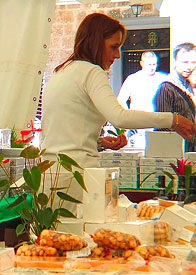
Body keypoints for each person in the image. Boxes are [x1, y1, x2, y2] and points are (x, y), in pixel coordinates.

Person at [40, 13, 196, 210]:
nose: (117, 55)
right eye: (114, 47)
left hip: (50, 176)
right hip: (76, 178)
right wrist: (173, 119)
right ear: (96, 42)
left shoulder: (61, 72)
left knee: (53, 239)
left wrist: (97, 142)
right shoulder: (92, 72)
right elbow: (120, 117)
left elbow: (61, 131)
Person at [116, 51, 167, 148]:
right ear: (142, 63)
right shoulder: (133, 79)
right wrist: (129, 116)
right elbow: (121, 100)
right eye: (149, 64)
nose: (152, 67)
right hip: (138, 125)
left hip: (157, 124)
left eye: (154, 64)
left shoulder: (163, 79)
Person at [153, 42, 196, 152]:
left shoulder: (188, 85)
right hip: (174, 152)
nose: (189, 66)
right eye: (185, 62)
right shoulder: (166, 88)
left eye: (193, 62)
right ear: (174, 62)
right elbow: (162, 125)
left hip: (188, 149)